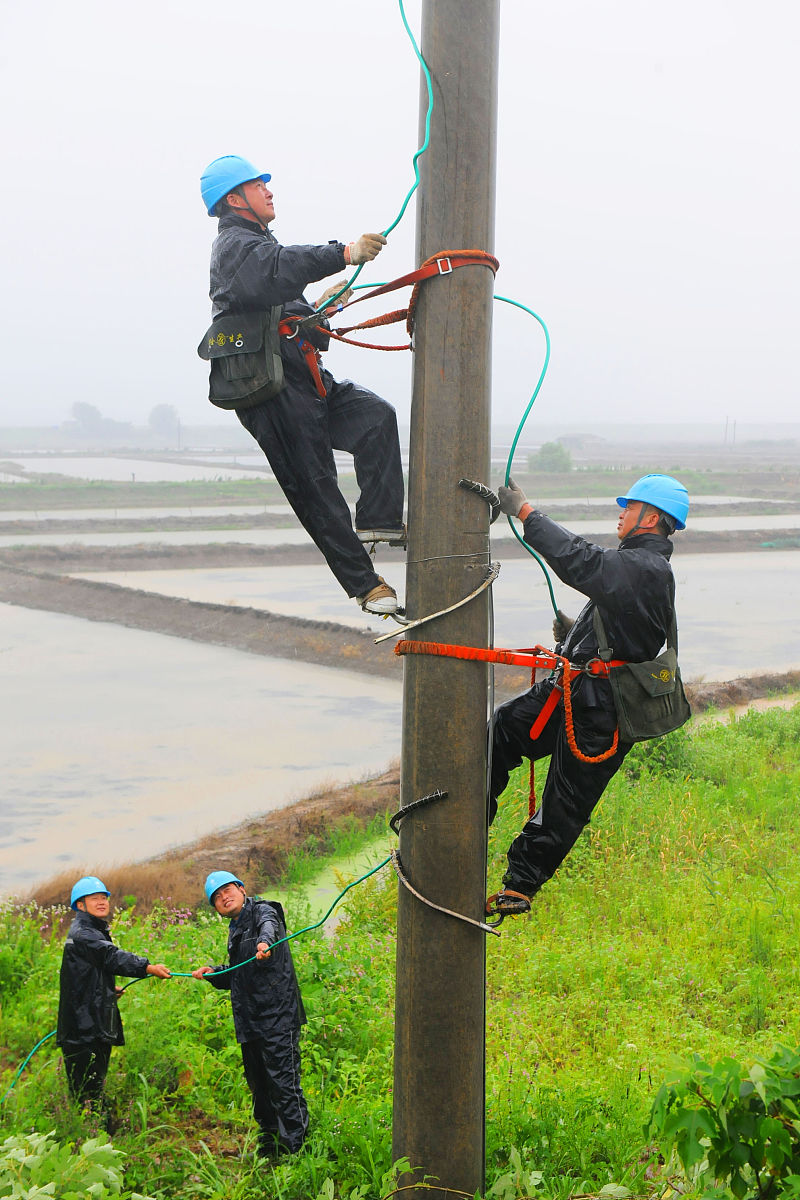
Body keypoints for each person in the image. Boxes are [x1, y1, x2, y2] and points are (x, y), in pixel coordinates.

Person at [199, 154, 405, 615]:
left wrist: (323, 309)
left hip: (303, 379)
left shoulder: (257, 251)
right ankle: (363, 583)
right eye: (258, 186)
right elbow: (279, 267)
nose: (269, 191)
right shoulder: (236, 246)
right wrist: (344, 254)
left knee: (375, 417)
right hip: (271, 390)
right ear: (235, 199)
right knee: (314, 483)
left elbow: (290, 315)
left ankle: (378, 522)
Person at [486, 473, 689, 919]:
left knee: (566, 797)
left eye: (629, 507)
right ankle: (467, 820)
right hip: (577, 687)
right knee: (502, 729)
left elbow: (581, 561)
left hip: (604, 707)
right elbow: (619, 624)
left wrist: (526, 514)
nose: (622, 513)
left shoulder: (646, 568)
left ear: (651, 518)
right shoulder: (636, 566)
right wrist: (574, 643)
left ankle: (520, 883)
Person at [191, 870, 308, 1159]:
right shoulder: (236, 927)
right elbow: (238, 975)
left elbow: (269, 927)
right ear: (217, 909)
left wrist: (264, 943)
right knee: (260, 1087)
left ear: (242, 889)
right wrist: (213, 974)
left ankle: (297, 1151)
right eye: (217, 897)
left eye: (228, 890)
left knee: (283, 1083)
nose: (224, 897)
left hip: (278, 1017)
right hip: (252, 1022)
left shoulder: (263, 912)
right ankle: (269, 1149)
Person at [56, 876, 171, 1111]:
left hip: (88, 1019)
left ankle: (97, 1131)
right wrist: (147, 967)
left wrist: (105, 988)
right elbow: (110, 957)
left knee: (94, 1084)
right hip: (82, 1027)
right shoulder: (84, 934)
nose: (101, 902)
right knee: (86, 1090)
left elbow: (87, 971)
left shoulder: (91, 929)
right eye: (93, 898)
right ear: (80, 905)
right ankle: (92, 1136)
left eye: (103, 898)